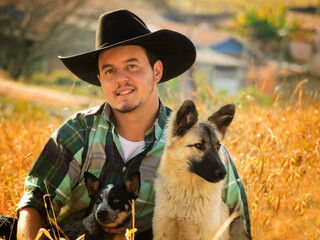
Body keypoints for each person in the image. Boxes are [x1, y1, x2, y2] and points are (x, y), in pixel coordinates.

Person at [9, 9, 251, 240]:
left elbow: (237, 218)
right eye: (109, 71)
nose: (121, 79)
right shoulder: (77, 134)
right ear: (100, 80)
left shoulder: (196, 145)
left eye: (132, 66)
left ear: (156, 71)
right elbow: (35, 205)